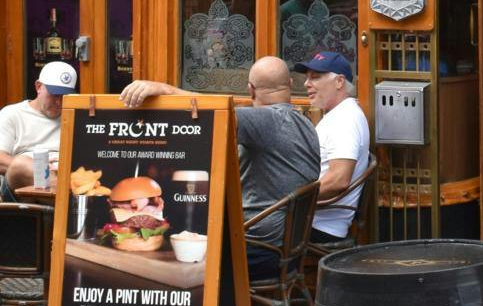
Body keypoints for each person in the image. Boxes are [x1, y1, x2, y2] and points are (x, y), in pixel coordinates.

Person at [120, 58, 321, 249]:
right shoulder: (303, 122)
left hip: (254, 246)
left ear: (250, 89)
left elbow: (214, 110)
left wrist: (164, 89)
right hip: (286, 245)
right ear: (290, 83)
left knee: (182, 240)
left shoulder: (268, 120)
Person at [298, 51, 371, 244]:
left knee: (231, 231)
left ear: (339, 82)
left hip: (316, 227)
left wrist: (290, 199)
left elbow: (339, 179)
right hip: (308, 220)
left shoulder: (345, 120)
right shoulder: (340, 114)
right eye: (307, 78)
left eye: (315, 77)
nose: (307, 84)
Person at [2, 62, 79, 199]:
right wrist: (42, 169)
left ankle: (68, 200)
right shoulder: (13, 114)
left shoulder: (75, 114)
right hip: (21, 187)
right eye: (55, 95)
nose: (59, 102)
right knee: (20, 165)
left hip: (66, 175)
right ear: (39, 87)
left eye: (64, 96)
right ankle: (71, 199)